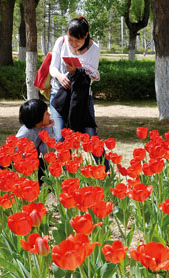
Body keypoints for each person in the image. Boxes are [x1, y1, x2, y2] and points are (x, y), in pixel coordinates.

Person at [49, 16, 109, 171]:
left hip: (82, 98)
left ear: (86, 35)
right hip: (59, 95)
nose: (73, 44)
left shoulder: (94, 48)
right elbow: (52, 67)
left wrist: (77, 71)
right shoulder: (61, 42)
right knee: (61, 137)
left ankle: (106, 172)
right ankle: (66, 177)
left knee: (91, 136)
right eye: (70, 40)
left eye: (77, 41)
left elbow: (91, 76)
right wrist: (60, 76)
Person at [16, 99, 55, 184]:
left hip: (33, 162)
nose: (50, 114)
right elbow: (15, 151)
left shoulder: (42, 128)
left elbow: (47, 151)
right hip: (20, 165)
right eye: (46, 113)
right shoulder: (26, 132)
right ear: (38, 117)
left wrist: (48, 129)